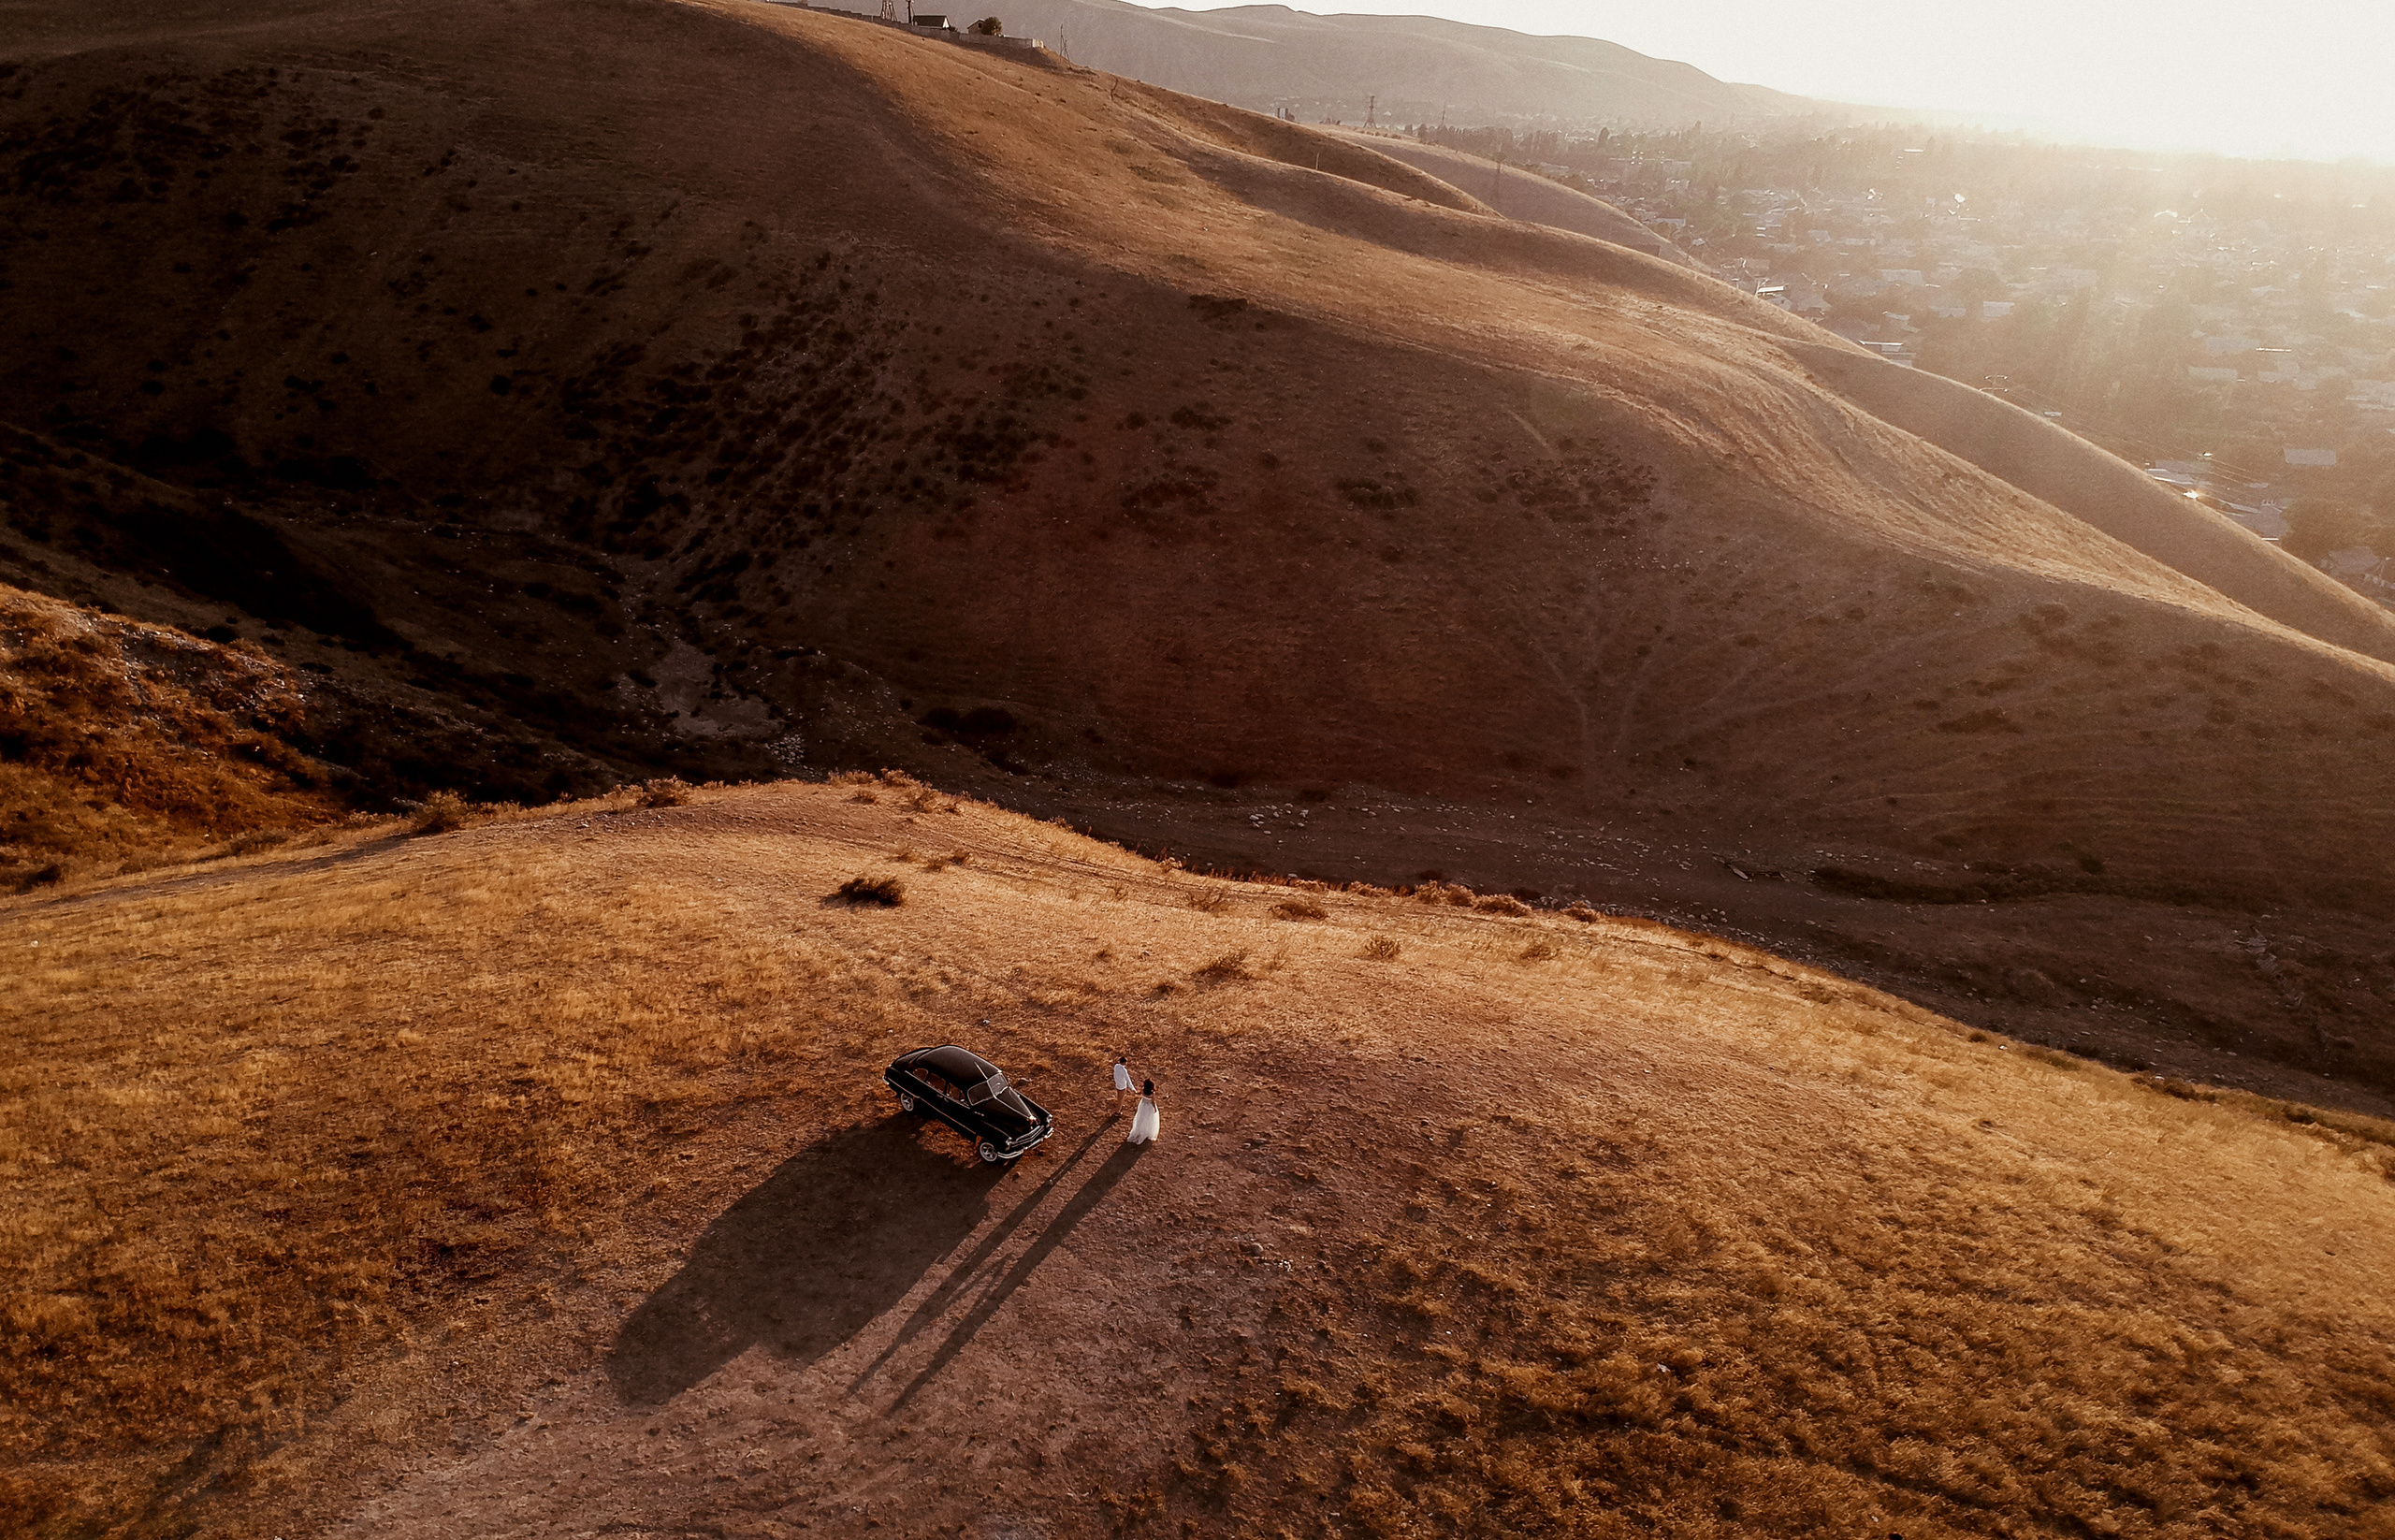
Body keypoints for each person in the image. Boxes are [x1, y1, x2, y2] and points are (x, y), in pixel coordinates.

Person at [1126, 1079, 1160, 1145]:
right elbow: (1153, 1102)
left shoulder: (1143, 1090)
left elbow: (1139, 1093)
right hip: (1149, 1107)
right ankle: (1147, 1132)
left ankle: (1140, 1130)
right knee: (1149, 1119)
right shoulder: (1152, 1093)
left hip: (1143, 1106)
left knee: (1142, 1118)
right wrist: (1155, 1108)